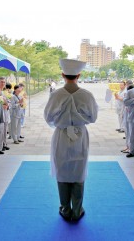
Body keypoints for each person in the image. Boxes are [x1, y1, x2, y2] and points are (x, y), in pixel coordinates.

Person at [44, 59, 98, 221]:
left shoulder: (56, 95)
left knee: (62, 169)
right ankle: (77, 209)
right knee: (78, 170)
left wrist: (60, 123)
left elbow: (48, 117)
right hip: (80, 135)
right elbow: (93, 117)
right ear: (79, 75)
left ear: (62, 74)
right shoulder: (87, 95)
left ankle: (65, 208)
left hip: (61, 135)